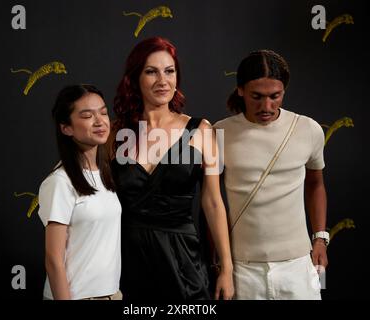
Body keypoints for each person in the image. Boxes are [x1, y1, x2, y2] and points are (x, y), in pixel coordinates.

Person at [110, 36, 234, 301]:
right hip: (127, 260)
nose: (162, 80)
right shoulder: (115, 133)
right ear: (134, 78)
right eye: (151, 72)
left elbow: (213, 202)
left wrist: (226, 267)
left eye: (169, 71)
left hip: (183, 260)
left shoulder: (202, 129)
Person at [214, 50, 328, 300]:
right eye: (257, 96)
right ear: (240, 90)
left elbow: (316, 184)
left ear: (284, 91)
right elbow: (210, 200)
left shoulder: (308, 129)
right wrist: (223, 264)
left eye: (275, 96)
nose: (266, 106)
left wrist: (320, 238)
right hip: (242, 268)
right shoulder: (219, 133)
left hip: (299, 265)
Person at [38, 84, 122, 300]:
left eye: (103, 112)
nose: (100, 121)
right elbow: (53, 259)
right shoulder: (60, 182)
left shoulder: (106, 175)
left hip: (112, 295)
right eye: (87, 116)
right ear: (66, 127)